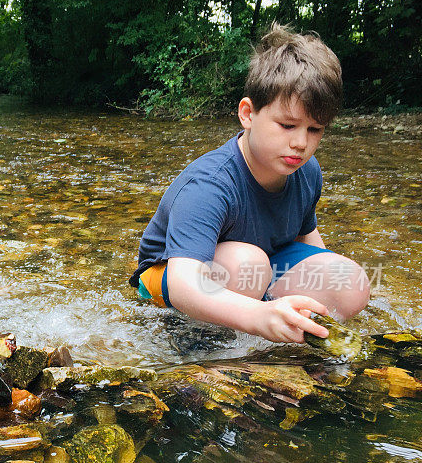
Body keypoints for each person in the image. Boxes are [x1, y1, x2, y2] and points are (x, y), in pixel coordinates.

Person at [129, 24, 370, 343]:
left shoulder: (307, 171)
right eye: (287, 125)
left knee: (350, 283)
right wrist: (258, 317)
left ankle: (263, 317)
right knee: (246, 266)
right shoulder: (209, 185)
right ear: (248, 114)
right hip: (172, 275)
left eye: (315, 129)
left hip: (259, 265)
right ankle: (205, 350)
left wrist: (323, 306)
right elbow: (185, 282)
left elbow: (306, 238)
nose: (300, 143)